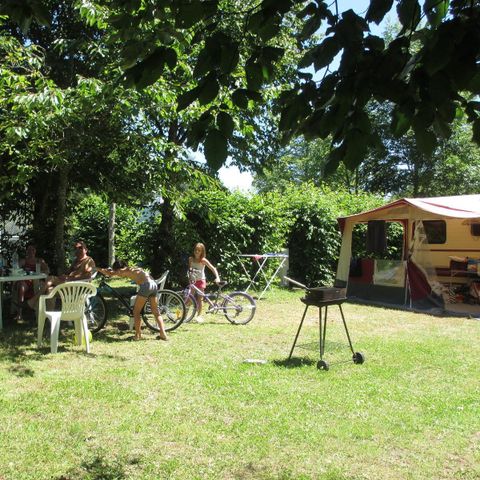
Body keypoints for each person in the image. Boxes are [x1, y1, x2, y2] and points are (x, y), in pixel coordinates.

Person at [97, 260, 168, 341]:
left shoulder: (125, 270)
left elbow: (114, 272)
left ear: (119, 269)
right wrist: (100, 269)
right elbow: (111, 273)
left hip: (146, 286)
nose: (118, 274)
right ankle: (163, 334)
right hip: (153, 285)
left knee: (136, 312)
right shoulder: (132, 269)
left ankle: (138, 335)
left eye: (117, 271)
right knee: (156, 311)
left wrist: (96, 268)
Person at [28, 240, 96, 309]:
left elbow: (88, 276)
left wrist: (70, 278)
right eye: (76, 248)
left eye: (80, 248)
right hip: (68, 286)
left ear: (86, 250)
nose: (78, 250)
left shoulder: (89, 260)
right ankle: (48, 314)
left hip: (77, 288)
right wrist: (63, 275)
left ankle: (34, 300)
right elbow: (68, 272)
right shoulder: (76, 261)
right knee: (50, 290)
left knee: (51, 278)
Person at [12, 244, 49, 320]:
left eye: (32, 250)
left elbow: (47, 270)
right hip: (26, 281)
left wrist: (41, 271)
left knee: (41, 286)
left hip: (36, 282)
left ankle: (38, 312)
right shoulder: (24, 261)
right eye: (29, 250)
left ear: (35, 251)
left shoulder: (39, 260)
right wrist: (18, 265)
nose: (30, 251)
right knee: (21, 286)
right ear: (26, 251)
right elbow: (16, 269)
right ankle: (19, 314)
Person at [188, 242, 220, 323]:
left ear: (202, 252)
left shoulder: (203, 260)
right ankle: (183, 315)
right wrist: (190, 278)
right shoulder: (191, 259)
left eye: (199, 250)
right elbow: (190, 270)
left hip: (201, 281)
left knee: (200, 299)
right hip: (193, 281)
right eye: (196, 250)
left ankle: (199, 316)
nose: (197, 252)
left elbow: (213, 268)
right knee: (189, 298)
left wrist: (217, 277)